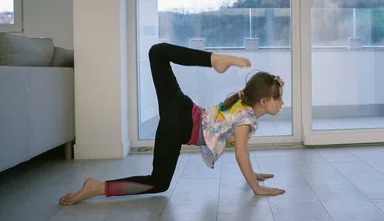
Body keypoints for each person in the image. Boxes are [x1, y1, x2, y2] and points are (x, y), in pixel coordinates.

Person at [59, 42, 285, 206]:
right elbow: (241, 154)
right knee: (158, 183)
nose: (282, 103)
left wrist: (254, 174)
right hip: (180, 124)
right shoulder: (246, 120)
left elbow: (240, 152)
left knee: (157, 52)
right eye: (279, 98)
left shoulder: (241, 106)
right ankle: (97, 187)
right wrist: (257, 188)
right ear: (264, 101)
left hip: (180, 106)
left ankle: (212, 60)